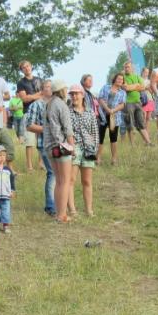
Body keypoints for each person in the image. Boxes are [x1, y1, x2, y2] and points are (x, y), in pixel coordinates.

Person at [43, 79, 74, 223]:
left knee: (59, 181)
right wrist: (72, 147)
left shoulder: (48, 104)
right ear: (62, 90)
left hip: (50, 146)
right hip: (62, 147)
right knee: (65, 181)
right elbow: (68, 129)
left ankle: (58, 213)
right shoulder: (61, 104)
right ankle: (62, 215)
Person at [24, 80, 56, 216]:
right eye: (47, 87)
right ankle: (51, 206)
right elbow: (29, 125)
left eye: (51, 86)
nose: (50, 89)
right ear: (41, 90)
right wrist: (48, 129)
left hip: (59, 144)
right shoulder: (36, 105)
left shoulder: (57, 103)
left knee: (58, 174)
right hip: (45, 144)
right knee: (53, 173)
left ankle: (58, 204)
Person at [67, 84, 99, 217]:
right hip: (74, 148)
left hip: (88, 148)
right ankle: (72, 210)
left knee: (87, 181)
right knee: (71, 180)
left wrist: (94, 149)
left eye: (76, 93)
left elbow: (95, 132)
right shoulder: (67, 112)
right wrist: (70, 148)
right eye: (72, 94)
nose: (74, 96)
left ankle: (89, 210)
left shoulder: (90, 112)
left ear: (82, 95)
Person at [16, 60, 43, 171]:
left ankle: (41, 163)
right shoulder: (21, 83)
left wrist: (31, 96)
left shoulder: (39, 80)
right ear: (22, 70)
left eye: (28, 66)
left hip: (41, 111)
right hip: (28, 112)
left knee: (41, 139)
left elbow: (44, 94)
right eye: (24, 67)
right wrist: (37, 95)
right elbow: (24, 99)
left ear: (31, 66)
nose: (26, 68)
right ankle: (29, 166)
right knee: (30, 141)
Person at [121, 61, 154, 146]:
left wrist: (132, 86)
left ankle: (148, 142)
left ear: (132, 68)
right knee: (130, 124)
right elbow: (126, 88)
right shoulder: (122, 77)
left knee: (141, 123)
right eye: (125, 67)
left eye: (128, 67)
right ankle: (133, 145)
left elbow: (143, 87)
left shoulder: (137, 76)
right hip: (128, 103)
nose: (126, 69)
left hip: (138, 102)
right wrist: (136, 85)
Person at [97, 74, 126, 165]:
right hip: (103, 115)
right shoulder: (106, 87)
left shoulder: (123, 92)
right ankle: (98, 158)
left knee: (113, 138)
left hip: (114, 117)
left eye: (122, 79)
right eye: (118, 78)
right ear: (114, 79)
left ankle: (114, 159)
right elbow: (100, 99)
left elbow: (122, 104)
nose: (120, 80)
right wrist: (107, 109)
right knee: (100, 137)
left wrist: (112, 110)